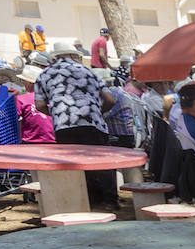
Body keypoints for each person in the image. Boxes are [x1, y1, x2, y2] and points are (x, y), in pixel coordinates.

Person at [33, 42, 117, 206]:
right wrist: (99, 112)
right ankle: (110, 200)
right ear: (72, 55)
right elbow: (110, 99)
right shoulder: (88, 71)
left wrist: (58, 114)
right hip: (92, 122)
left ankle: (85, 201)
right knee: (101, 162)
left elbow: (40, 105)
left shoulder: (44, 75)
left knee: (75, 166)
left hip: (64, 126)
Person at [8, 65, 54, 143]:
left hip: (31, 142)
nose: (22, 83)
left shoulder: (22, 99)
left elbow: (11, 117)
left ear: (30, 83)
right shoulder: (53, 97)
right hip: (55, 141)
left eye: (23, 81)